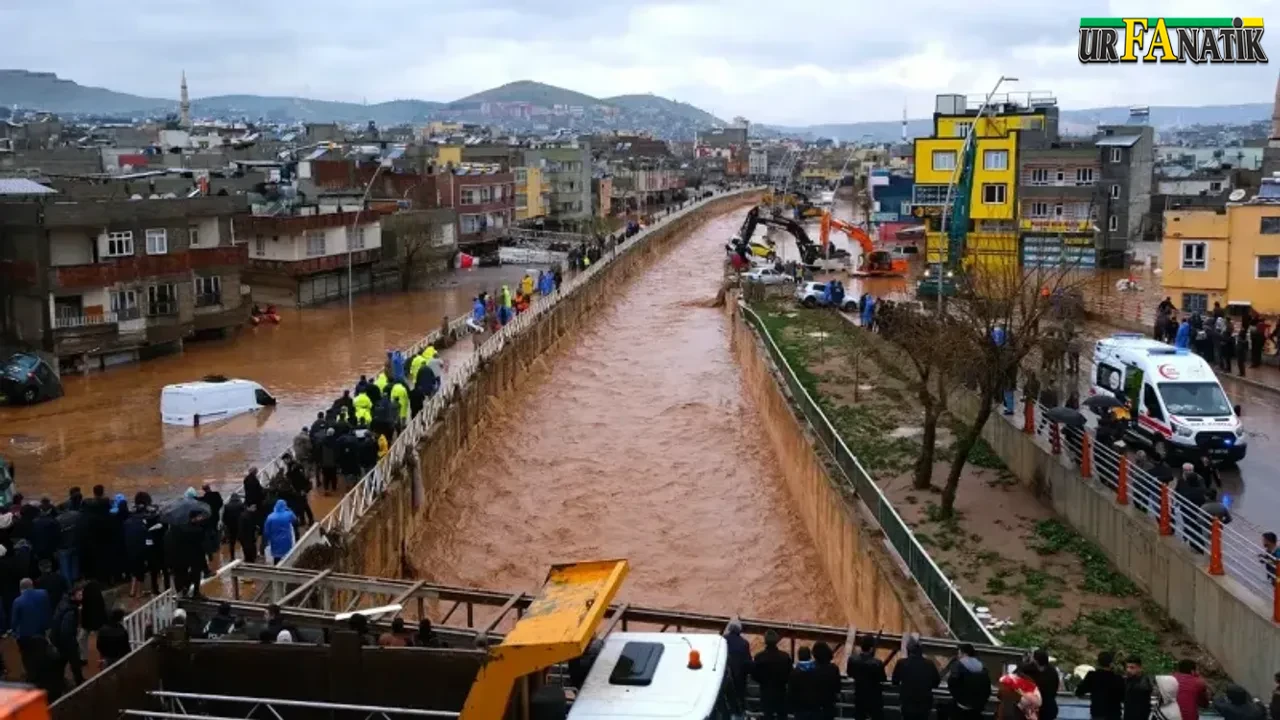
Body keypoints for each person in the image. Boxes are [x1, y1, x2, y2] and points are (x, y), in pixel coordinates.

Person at [847, 633, 896, 720]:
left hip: (859, 697)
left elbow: (850, 673)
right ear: (871, 648)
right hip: (875, 699)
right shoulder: (877, 663)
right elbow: (883, 678)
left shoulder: (852, 660)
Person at [893, 635, 942, 720]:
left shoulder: (901, 663)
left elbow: (895, 681)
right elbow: (936, 682)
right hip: (925, 703)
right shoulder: (929, 664)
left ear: (908, 650)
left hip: (907, 702)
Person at [752, 630, 792, 720]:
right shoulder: (785, 657)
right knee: (782, 716)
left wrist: (763, 681)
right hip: (781, 692)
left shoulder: (759, 657)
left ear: (765, 641)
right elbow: (790, 674)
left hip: (765, 692)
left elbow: (754, 675)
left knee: (767, 716)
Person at [947, 643, 992, 720]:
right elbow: (987, 687)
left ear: (964, 653)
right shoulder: (982, 666)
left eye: (959, 653)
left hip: (961, 705)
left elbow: (951, 683)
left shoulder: (958, 665)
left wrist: (959, 699)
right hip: (977, 707)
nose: (958, 655)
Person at [51, 583, 84, 687]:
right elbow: (66, 630)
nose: (82, 597)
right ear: (73, 595)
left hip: (57, 639)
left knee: (61, 662)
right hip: (67, 642)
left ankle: (59, 681)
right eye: (80, 594)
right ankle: (79, 683)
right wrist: (72, 644)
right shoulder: (71, 611)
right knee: (74, 662)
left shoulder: (63, 603)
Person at [1077, 651, 1125, 720]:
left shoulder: (1092, 676)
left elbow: (1079, 692)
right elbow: (1123, 697)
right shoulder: (1118, 678)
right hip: (1114, 715)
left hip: (1098, 714)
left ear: (1098, 662)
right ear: (1110, 663)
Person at [724, 620, 751, 718]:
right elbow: (748, 662)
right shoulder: (744, 643)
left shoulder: (723, 640)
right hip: (740, 679)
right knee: (739, 705)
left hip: (725, 678)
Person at [788, 646, 821, 720]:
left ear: (799, 656)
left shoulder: (794, 673)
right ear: (810, 655)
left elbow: (791, 691)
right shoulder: (817, 670)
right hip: (815, 706)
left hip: (800, 707)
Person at [812, 642, 842, 720]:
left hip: (814, 704)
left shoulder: (811, 668)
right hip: (829, 703)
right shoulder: (834, 668)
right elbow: (837, 687)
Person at [263, 500, 297, 564]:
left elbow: (266, 531)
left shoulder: (270, 517)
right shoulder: (288, 514)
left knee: (276, 556)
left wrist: (267, 540)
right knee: (287, 555)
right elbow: (295, 519)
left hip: (275, 540)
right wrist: (289, 510)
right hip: (287, 539)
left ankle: (277, 569)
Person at [1032, 649, 1060, 720]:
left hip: (1044, 707)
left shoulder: (1050, 673)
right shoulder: (1052, 671)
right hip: (1049, 706)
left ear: (1036, 660)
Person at [1122, 655, 1153, 720]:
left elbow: (1144, 689)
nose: (1128, 670)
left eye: (1132, 667)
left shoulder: (1145, 681)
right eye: (1127, 667)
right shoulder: (1127, 680)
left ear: (1139, 668)